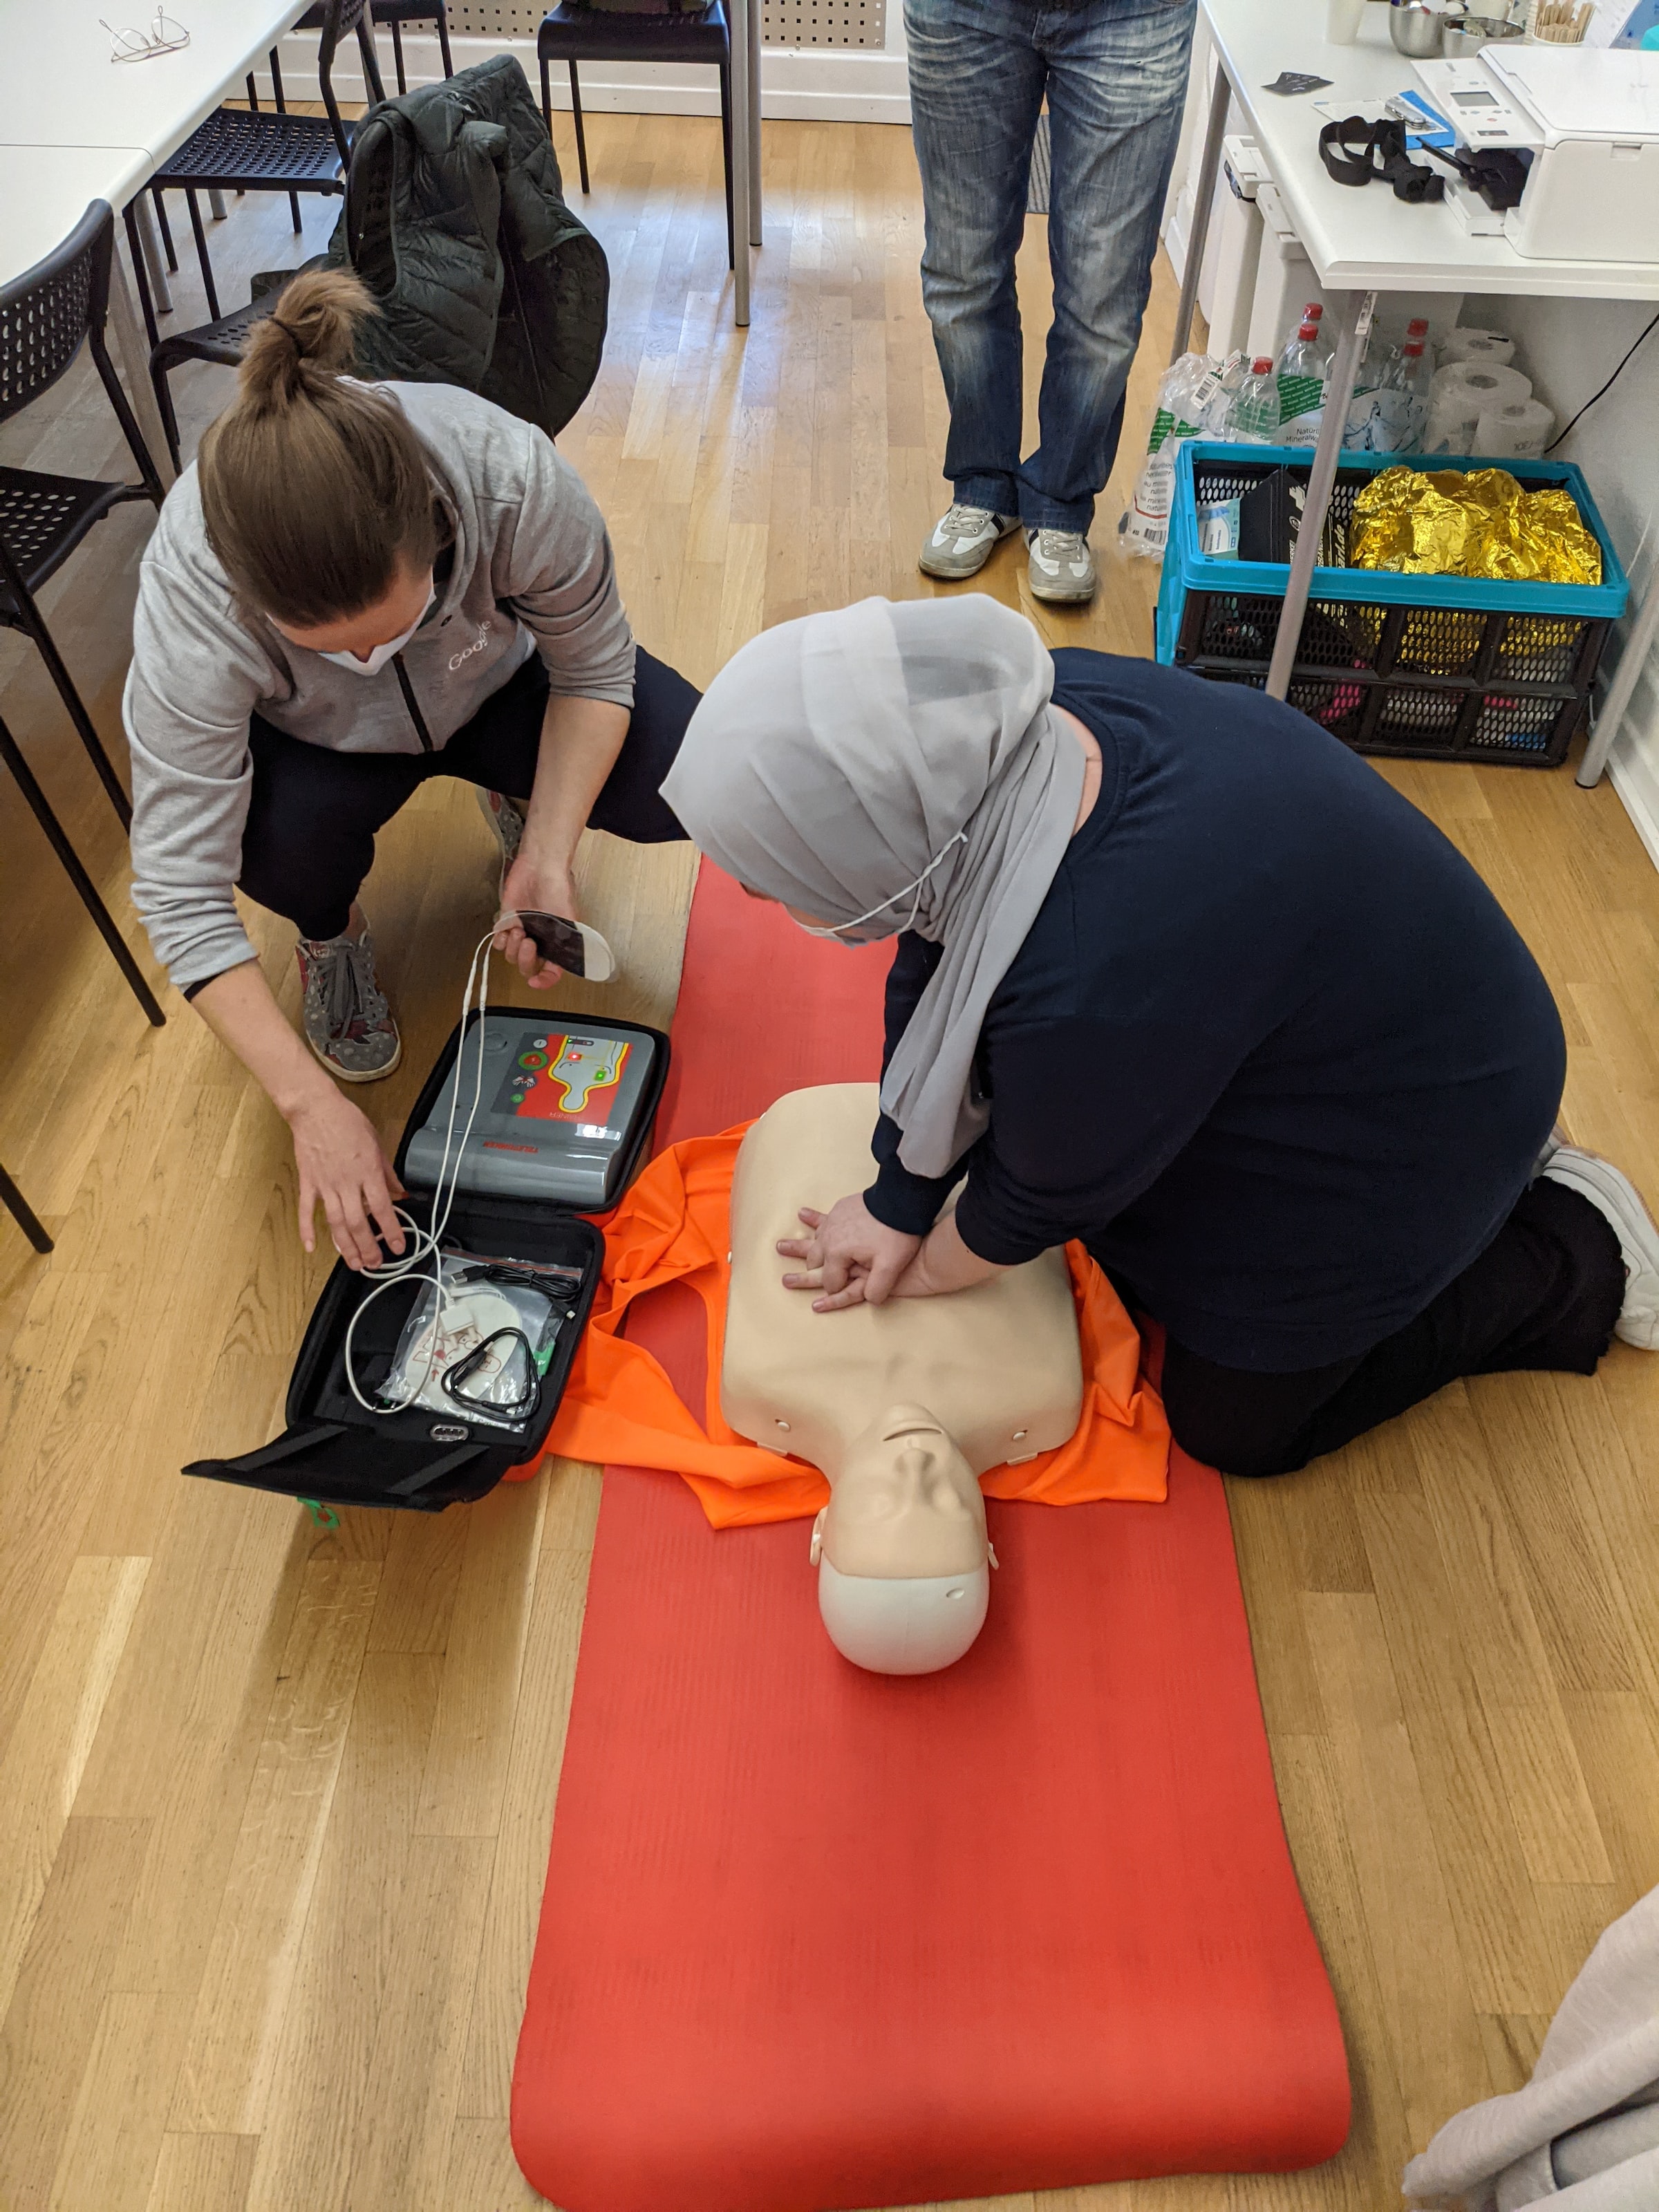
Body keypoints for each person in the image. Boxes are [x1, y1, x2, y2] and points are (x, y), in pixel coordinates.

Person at [661, 594, 1659, 1481]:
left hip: (1436, 1107)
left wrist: (920, 1266)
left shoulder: (1091, 973)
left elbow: (1030, 1202)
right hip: (1383, 1007)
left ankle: (1574, 1246)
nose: (758, 895)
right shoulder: (1017, 725)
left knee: (1238, 1427)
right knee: (1116, 1228)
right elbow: (937, 957)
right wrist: (898, 1194)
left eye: (772, 873)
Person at [124, 269, 693, 1274]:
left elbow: (597, 666)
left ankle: (520, 801)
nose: (366, 663)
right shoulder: (194, 593)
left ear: (436, 532)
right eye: (328, 649)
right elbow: (178, 889)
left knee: (677, 772)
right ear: (252, 604)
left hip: (499, 686)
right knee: (277, 851)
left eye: (390, 632)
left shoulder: (508, 475)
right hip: (321, 750)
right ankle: (330, 936)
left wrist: (554, 853)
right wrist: (307, 1102)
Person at [907, 0, 1197, 606]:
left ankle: (1060, 505)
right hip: (963, 11)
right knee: (962, 273)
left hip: (1133, 15)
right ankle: (983, 486)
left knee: (1104, 298)